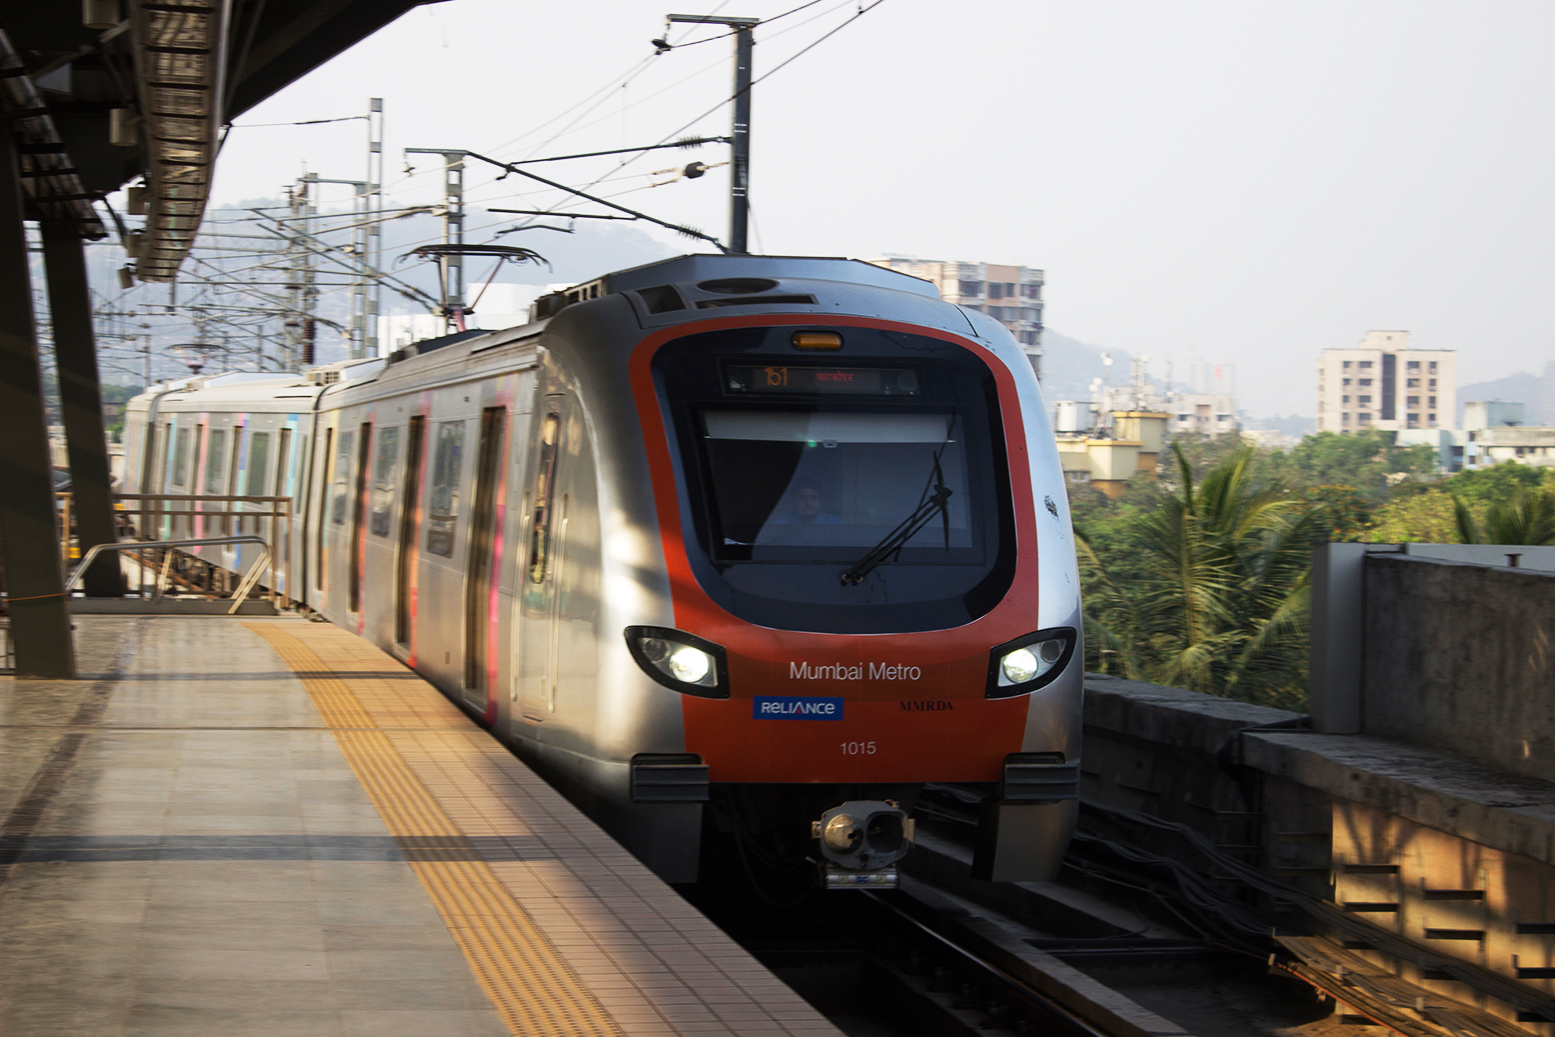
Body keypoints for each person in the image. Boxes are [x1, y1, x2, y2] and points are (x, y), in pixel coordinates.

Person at [771, 485, 844, 525]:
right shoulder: (781, 524)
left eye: (814, 497)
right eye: (803, 497)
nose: (808, 502)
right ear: (794, 501)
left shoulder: (834, 523)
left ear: (820, 501)